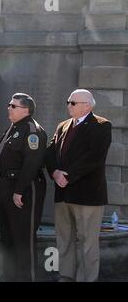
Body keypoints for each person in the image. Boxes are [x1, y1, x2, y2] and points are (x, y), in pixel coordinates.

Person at [46, 89, 112, 282]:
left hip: (87, 195)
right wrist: (55, 172)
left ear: (87, 105)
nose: (69, 105)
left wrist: (69, 176)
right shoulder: (63, 126)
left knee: (87, 242)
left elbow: (94, 158)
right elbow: (50, 153)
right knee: (64, 239)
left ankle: (86, 279)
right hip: (63, 194)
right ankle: (66, 276)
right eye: (68, 102)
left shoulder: (101, 125)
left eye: (73, 102)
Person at [0, 93, 47, 281]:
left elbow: (31, 163)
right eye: (9, 104)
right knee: (7, 236)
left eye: (13, 106)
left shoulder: (32, 130)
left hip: (23, 190)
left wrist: (18, 191)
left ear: (26, 110)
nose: (9, 108)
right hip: (5, 188)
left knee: (23, 238)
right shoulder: (14, 128)